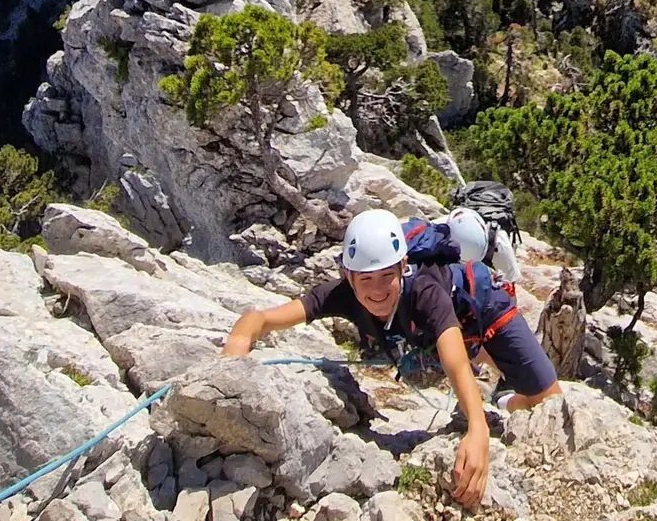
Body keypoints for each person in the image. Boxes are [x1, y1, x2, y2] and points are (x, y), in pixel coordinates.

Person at [220, 209, 562, 507]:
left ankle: (504, 399)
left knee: (547, 398)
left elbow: (454, 357)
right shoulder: (342, 295)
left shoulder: (426, 289)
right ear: (348, 277)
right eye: (366, 279)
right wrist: (236, 347)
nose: (378, 289)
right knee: (479, 360)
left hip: (485, 308)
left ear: (402, 266)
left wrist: (478, 428)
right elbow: (261, 318)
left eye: (388, 275)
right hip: (442, 336)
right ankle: (500, 391)